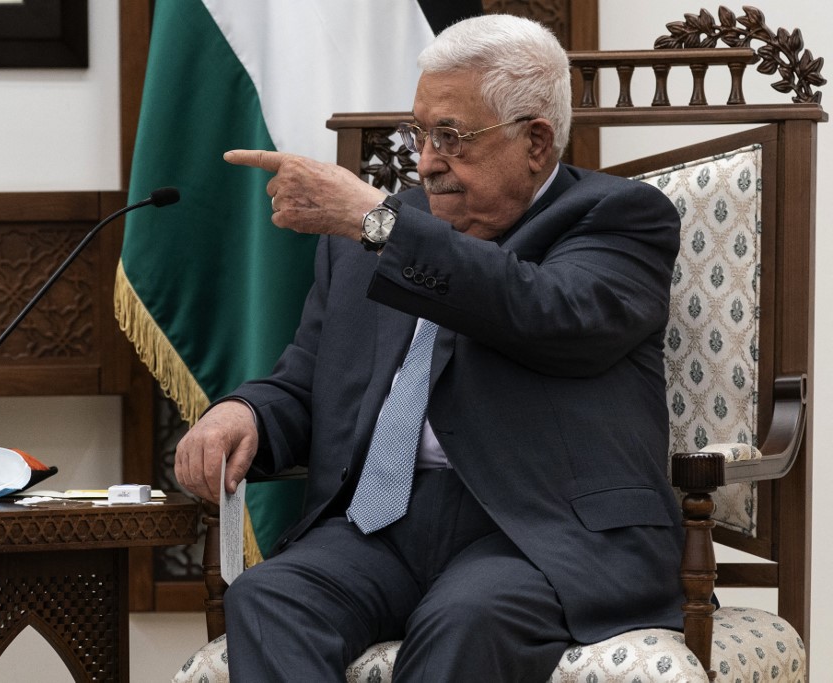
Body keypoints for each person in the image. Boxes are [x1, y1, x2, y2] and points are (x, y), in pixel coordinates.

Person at [176, 13, 685, 681]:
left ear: (536, 141)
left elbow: (548, 313)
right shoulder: (375, 237)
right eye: (420, 134)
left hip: (535, 533)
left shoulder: (619, 218)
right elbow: (306, 383)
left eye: (451, 138)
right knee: (269, 598)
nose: (424, 162)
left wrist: (379, 224)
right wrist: (245, 414)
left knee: (465, 618)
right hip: (381, 529)